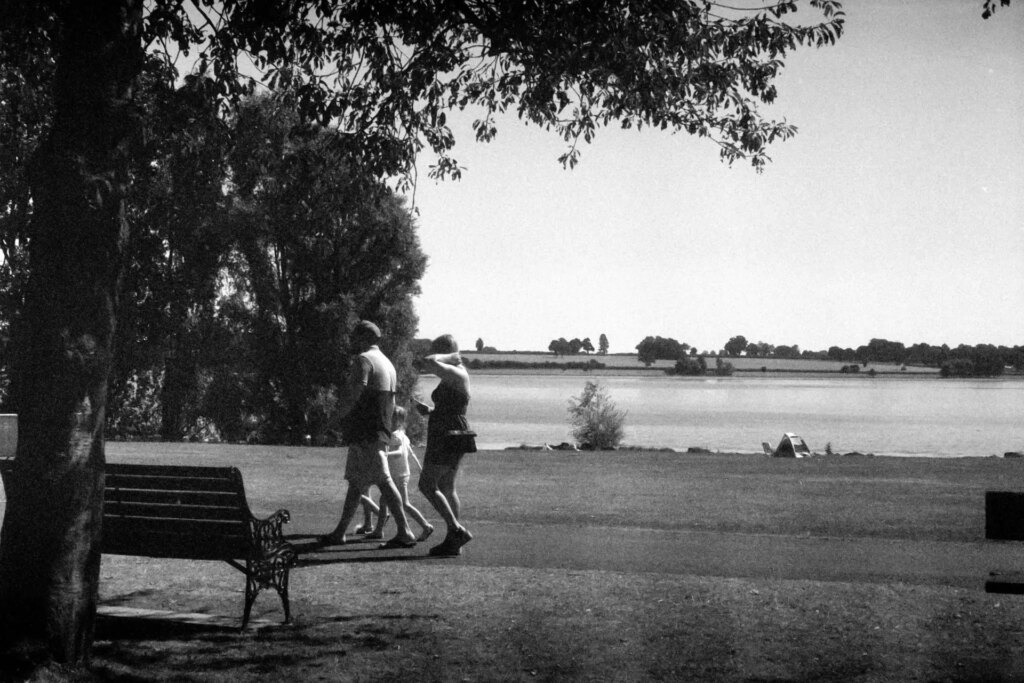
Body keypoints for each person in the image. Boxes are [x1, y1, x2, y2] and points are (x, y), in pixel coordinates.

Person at [320, 320, 417, 549]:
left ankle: (405, 531)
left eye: (355, 337)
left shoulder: (364, 360)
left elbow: (354, 395)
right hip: (378, 430)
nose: (352, 341)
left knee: (383, 480)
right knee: (355, 482)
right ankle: (340, 532)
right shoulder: (388, 364)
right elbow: (391, 403)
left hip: (365, 432)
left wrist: (331, 421)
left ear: (362, 337)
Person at [417, 334, 476, 557]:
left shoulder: (457, 372)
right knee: (446, 487)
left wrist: (450, 355)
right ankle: (454, 541)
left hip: (447, 434)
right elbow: (454, 407)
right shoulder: (455, 376)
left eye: (437, 349)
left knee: (426, 484)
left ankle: (456, 530)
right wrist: (431, 411)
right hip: (453, 430)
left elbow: (429, 361)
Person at [366, 406, 434, 542]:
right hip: (399, 473)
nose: (391, 421)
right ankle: (378, 531)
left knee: (404, 504)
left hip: (399, 475)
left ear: (400, 421)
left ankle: (426, 526)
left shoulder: (396, 436)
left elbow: (400, 453)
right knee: (384, 501)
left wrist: (385, 454)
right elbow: (409, 452)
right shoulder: (402, 435)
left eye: (394, 418)